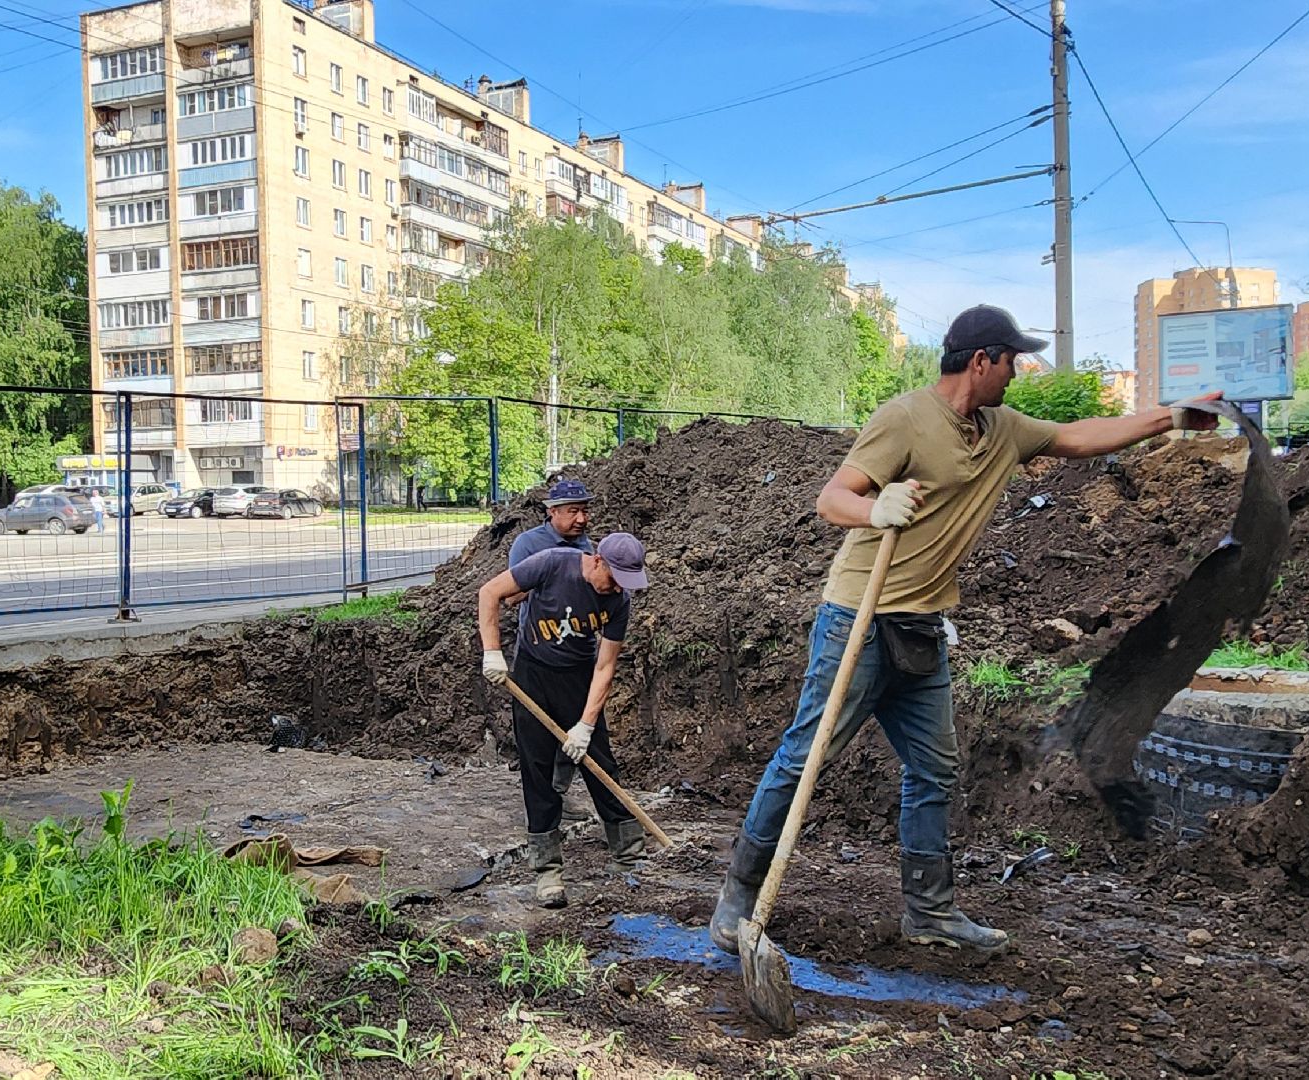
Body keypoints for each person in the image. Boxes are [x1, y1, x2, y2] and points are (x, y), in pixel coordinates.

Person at [707, 304, 1221, 957]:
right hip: (859, 621)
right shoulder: (903, 419)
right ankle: (738, 897)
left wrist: (1171, 417)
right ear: (982, 360)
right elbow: (832, 498)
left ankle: (929, 910)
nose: (1018, 372)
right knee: (806, 757)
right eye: (1012, 360)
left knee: (935, 767)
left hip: (921, 626)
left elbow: (1080, 436)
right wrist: (876, 507)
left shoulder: (1003, 429)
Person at [477, 532, 651, 908]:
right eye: (615, 579)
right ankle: (548, 869)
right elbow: (490, 592)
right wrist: (492, 651)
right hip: (533, 674)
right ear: (597, 561)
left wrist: (586, 725)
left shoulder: (619, 600)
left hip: (579, 678)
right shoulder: (552, 564)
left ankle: (629, 854)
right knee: (537, 769)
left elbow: (605, 667)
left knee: (599, 762)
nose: (618, 589)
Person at [508, 479, 598, 820]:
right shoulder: (529, 544)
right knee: (539, 733)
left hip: (578, 652)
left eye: (584, 511)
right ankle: (544, 804)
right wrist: (553, 577)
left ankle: (560, 789)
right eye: (573, 511)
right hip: (538, 650)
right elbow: (510, 593)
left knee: (577, 725)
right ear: (552, 512)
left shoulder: (587, 546)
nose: (581, 519)